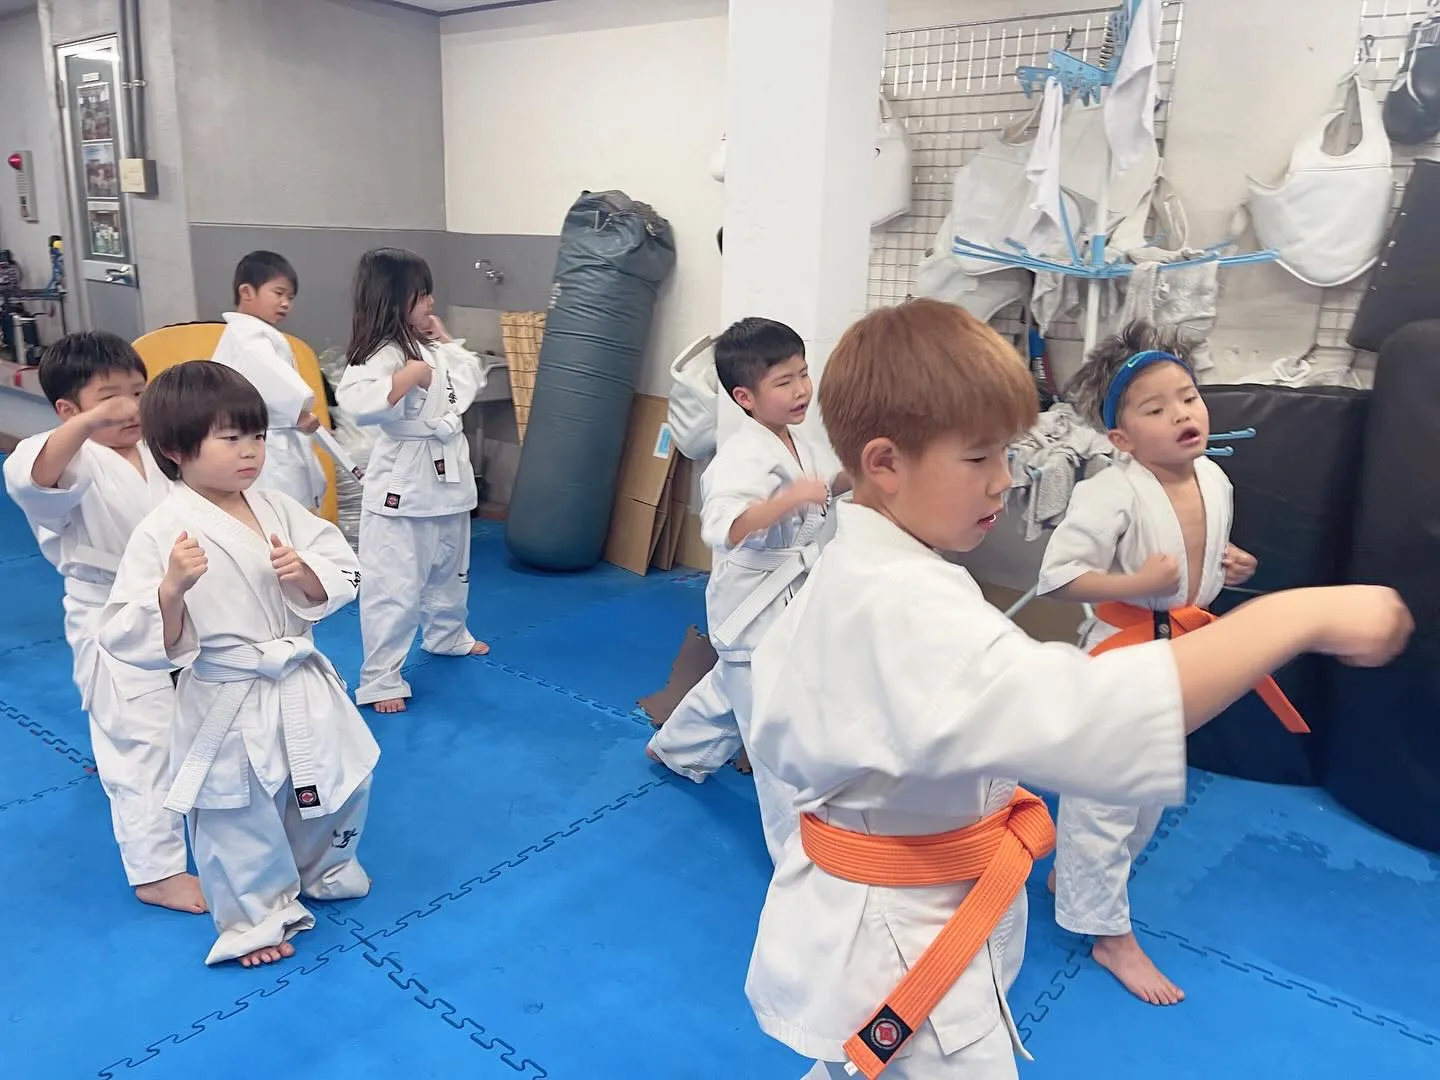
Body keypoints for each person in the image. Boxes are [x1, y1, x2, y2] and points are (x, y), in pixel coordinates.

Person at [740, 298, 1412, 1079]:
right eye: (980, 458)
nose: (1004, 483)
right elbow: (1093, 717)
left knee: (862, 1061)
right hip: (901, 933)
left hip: (893, 897)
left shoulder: (869, 564)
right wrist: (1298, 617)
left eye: (1009, 455)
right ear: (886, 463)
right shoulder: (900, 604)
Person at [1034, 321, 1306, 1005]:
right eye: (1155, 409)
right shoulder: (1110, 491)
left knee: (1148, 791)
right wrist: (1132, 584)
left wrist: (1226, 562)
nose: (1181, 414)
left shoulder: (1213, 477)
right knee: (1107, 795)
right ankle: (1108, 935)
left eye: (1187, 397)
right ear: (1121, 439)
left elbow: (1195, 557)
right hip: (1122, 656)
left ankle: (1080, 875)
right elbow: (1059, 577)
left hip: (1181, 652)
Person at [99, 361, 378, 967]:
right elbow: (123, 630)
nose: (251, 452)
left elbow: (337, 558)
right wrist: (170, 591)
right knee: (237, 815)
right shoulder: (163, 531)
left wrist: (308, 575)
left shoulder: (277, 505)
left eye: (257, 436)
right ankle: (256, 918)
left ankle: (324, 869)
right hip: (229, 692)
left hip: (299, 677)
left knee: (341, 781)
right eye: (231, 439)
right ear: (175, 449)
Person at [2, 332, 202, 914]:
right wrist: (88, 426)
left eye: (139, 392)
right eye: (110, 397)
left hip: (178, 604)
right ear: (68, 409)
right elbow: (32, 477)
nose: (130, 408)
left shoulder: (157, 451)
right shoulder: (67, 454)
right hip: (110, 615)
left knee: (189, 722)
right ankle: (156, 871)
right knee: (140, 742)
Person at [646, 317, 849, 864]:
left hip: (789, 593)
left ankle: (672, 749)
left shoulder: (796, 439)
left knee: (729, 689)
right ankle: (796, 858)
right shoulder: (741, 455)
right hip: (753, 603)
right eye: (784, 382)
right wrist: (787, 501)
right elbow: (723, 527)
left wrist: (867, 471)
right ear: (746, 398)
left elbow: (826, 484)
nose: (802, 389)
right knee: (768, 727)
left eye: (804, 375)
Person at [335, 248, 489, 714]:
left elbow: (468, 384)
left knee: (450, 570)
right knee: (394, 585)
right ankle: (381, 677)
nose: (430, 302)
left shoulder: (429, 347)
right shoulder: (378, 355)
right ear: (394, 299)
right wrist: (403, 379)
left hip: (448, 477)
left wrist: (445, 344)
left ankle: (447, 635)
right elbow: (357, 401)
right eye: (421, 295)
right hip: (404, 483)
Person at [209, 250, 327, 512]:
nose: (285, 303)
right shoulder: (247, 335)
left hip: (276, 435)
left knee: (287, 512)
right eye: (279, 293)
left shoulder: (258, 333)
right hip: (266, 443)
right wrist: (299, 407)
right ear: (247, 292)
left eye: (290, 297)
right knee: (277, 513)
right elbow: (270, 375)